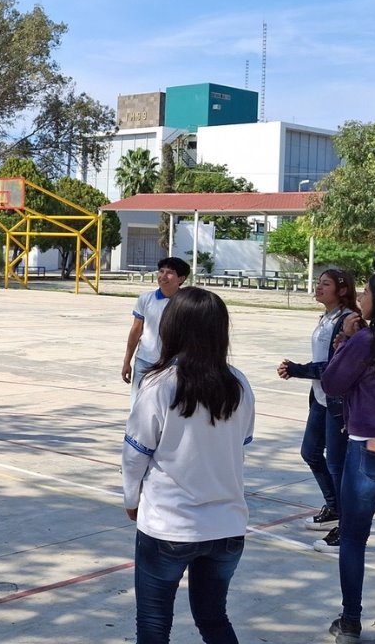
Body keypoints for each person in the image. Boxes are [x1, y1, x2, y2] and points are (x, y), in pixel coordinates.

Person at [123, 286, 255, 643]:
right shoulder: (239, 383)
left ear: (173, 327)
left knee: (153, 622)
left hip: (170, 524)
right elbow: (240, 445)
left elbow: (135, 454)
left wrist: (131, 501)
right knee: (214, 618)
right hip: (227, 524)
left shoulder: (159, 383)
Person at [321, 272, 375, 644]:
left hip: (372, 446)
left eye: (366, 293)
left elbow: (332, 383)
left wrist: (344, 345)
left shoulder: (366, 340)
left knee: (353, 537)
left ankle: (350, 620)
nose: (362, 298)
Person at [278, 269, 360, 553]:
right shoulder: (326, 318)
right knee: (310, 452)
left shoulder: (348, 321)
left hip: (337, 402)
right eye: (319, 283)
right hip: (321, 398)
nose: (318, 287)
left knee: (338, 466)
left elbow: (335, 366)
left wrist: (295, 369)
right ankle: (335, 507)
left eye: (325, 284)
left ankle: (346, 528)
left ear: (342, 290)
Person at [122, 257, 191, 406]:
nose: (163, 276)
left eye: (170, 272)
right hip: (145, 361)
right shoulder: (146, 299)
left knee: (167, 406)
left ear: (181, 279)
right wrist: (127, 360)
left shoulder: (187, 303)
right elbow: (135, 330)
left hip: (174, 364)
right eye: (161, 271)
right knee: (138, 404)